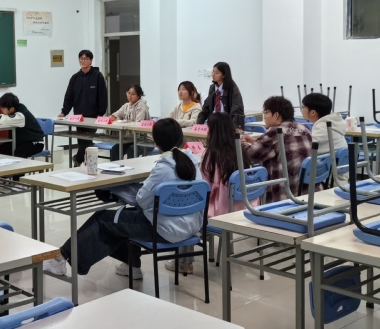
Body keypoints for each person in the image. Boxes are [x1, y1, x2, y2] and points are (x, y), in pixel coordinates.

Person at [43, 118, 204, 280]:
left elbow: (141, 199)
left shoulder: (164, 167)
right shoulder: (192, 163)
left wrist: (120, 191)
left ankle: (60, 258)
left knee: (103, 219)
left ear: (156, 142)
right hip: (190, 226)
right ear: (181, 138)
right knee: (123, 217)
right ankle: (131, 266)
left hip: (164, 230)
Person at [165, 113, 257, 274]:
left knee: (187, 209)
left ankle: (184, 262)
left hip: (220, 211)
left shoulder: (212, 155)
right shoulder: (240, 150)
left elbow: (204, 186)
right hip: (243, 207)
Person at [241, 96, 312, 203]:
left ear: (276, 115)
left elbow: (252, 154)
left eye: (266, 112)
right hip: (307, 192)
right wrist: (254, 142)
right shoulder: (304, 128)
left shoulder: (276, 132)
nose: (264, 117)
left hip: (284, 195)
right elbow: (277, 145)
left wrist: (241, 143)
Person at [58, 49, 108, 166]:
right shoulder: (75, 78)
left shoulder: (97, 76)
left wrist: (100, 113)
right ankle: (86, 165)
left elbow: (103, 96)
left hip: (93, 116)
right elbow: (69, 96)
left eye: (86, 59)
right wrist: (64, 112)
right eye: (81, 59)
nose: (83, 61)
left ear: (91, 61)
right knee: (82, 141)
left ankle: (78, 159)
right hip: (79, 117)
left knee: (87, 139)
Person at [0, 93, 44, 158]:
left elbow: (11, 119)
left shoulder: (22, 115)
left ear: (12, 109)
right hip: (22, 141)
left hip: (34, 142)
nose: (1, 110)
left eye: (3, 108)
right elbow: (9, 117)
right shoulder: (15, 111)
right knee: (1, 150)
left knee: (19, 152)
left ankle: (20, 165)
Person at [197, 62, 245, 130]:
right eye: (213, 72)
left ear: (224, 75)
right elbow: (206, 108)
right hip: (213, 123)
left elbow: (237, 110)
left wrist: (235, 128)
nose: (213, 74)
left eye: (217, 73)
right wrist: (198, 124)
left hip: (226, 124)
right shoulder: (212, 88)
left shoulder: (232, 88)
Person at [109, 84, 150, 161]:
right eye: (128, 93)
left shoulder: (141, 106)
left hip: (145, 140)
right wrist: (112, 117)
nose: (130, 96)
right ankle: (115, 167)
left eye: (133, 94)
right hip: (131, 139)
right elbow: (116, 115)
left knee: (131, 150)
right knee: (115, 149)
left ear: (139, 96)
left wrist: (123, 121)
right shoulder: (126, 105)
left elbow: (137, 124)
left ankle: (131, 168)